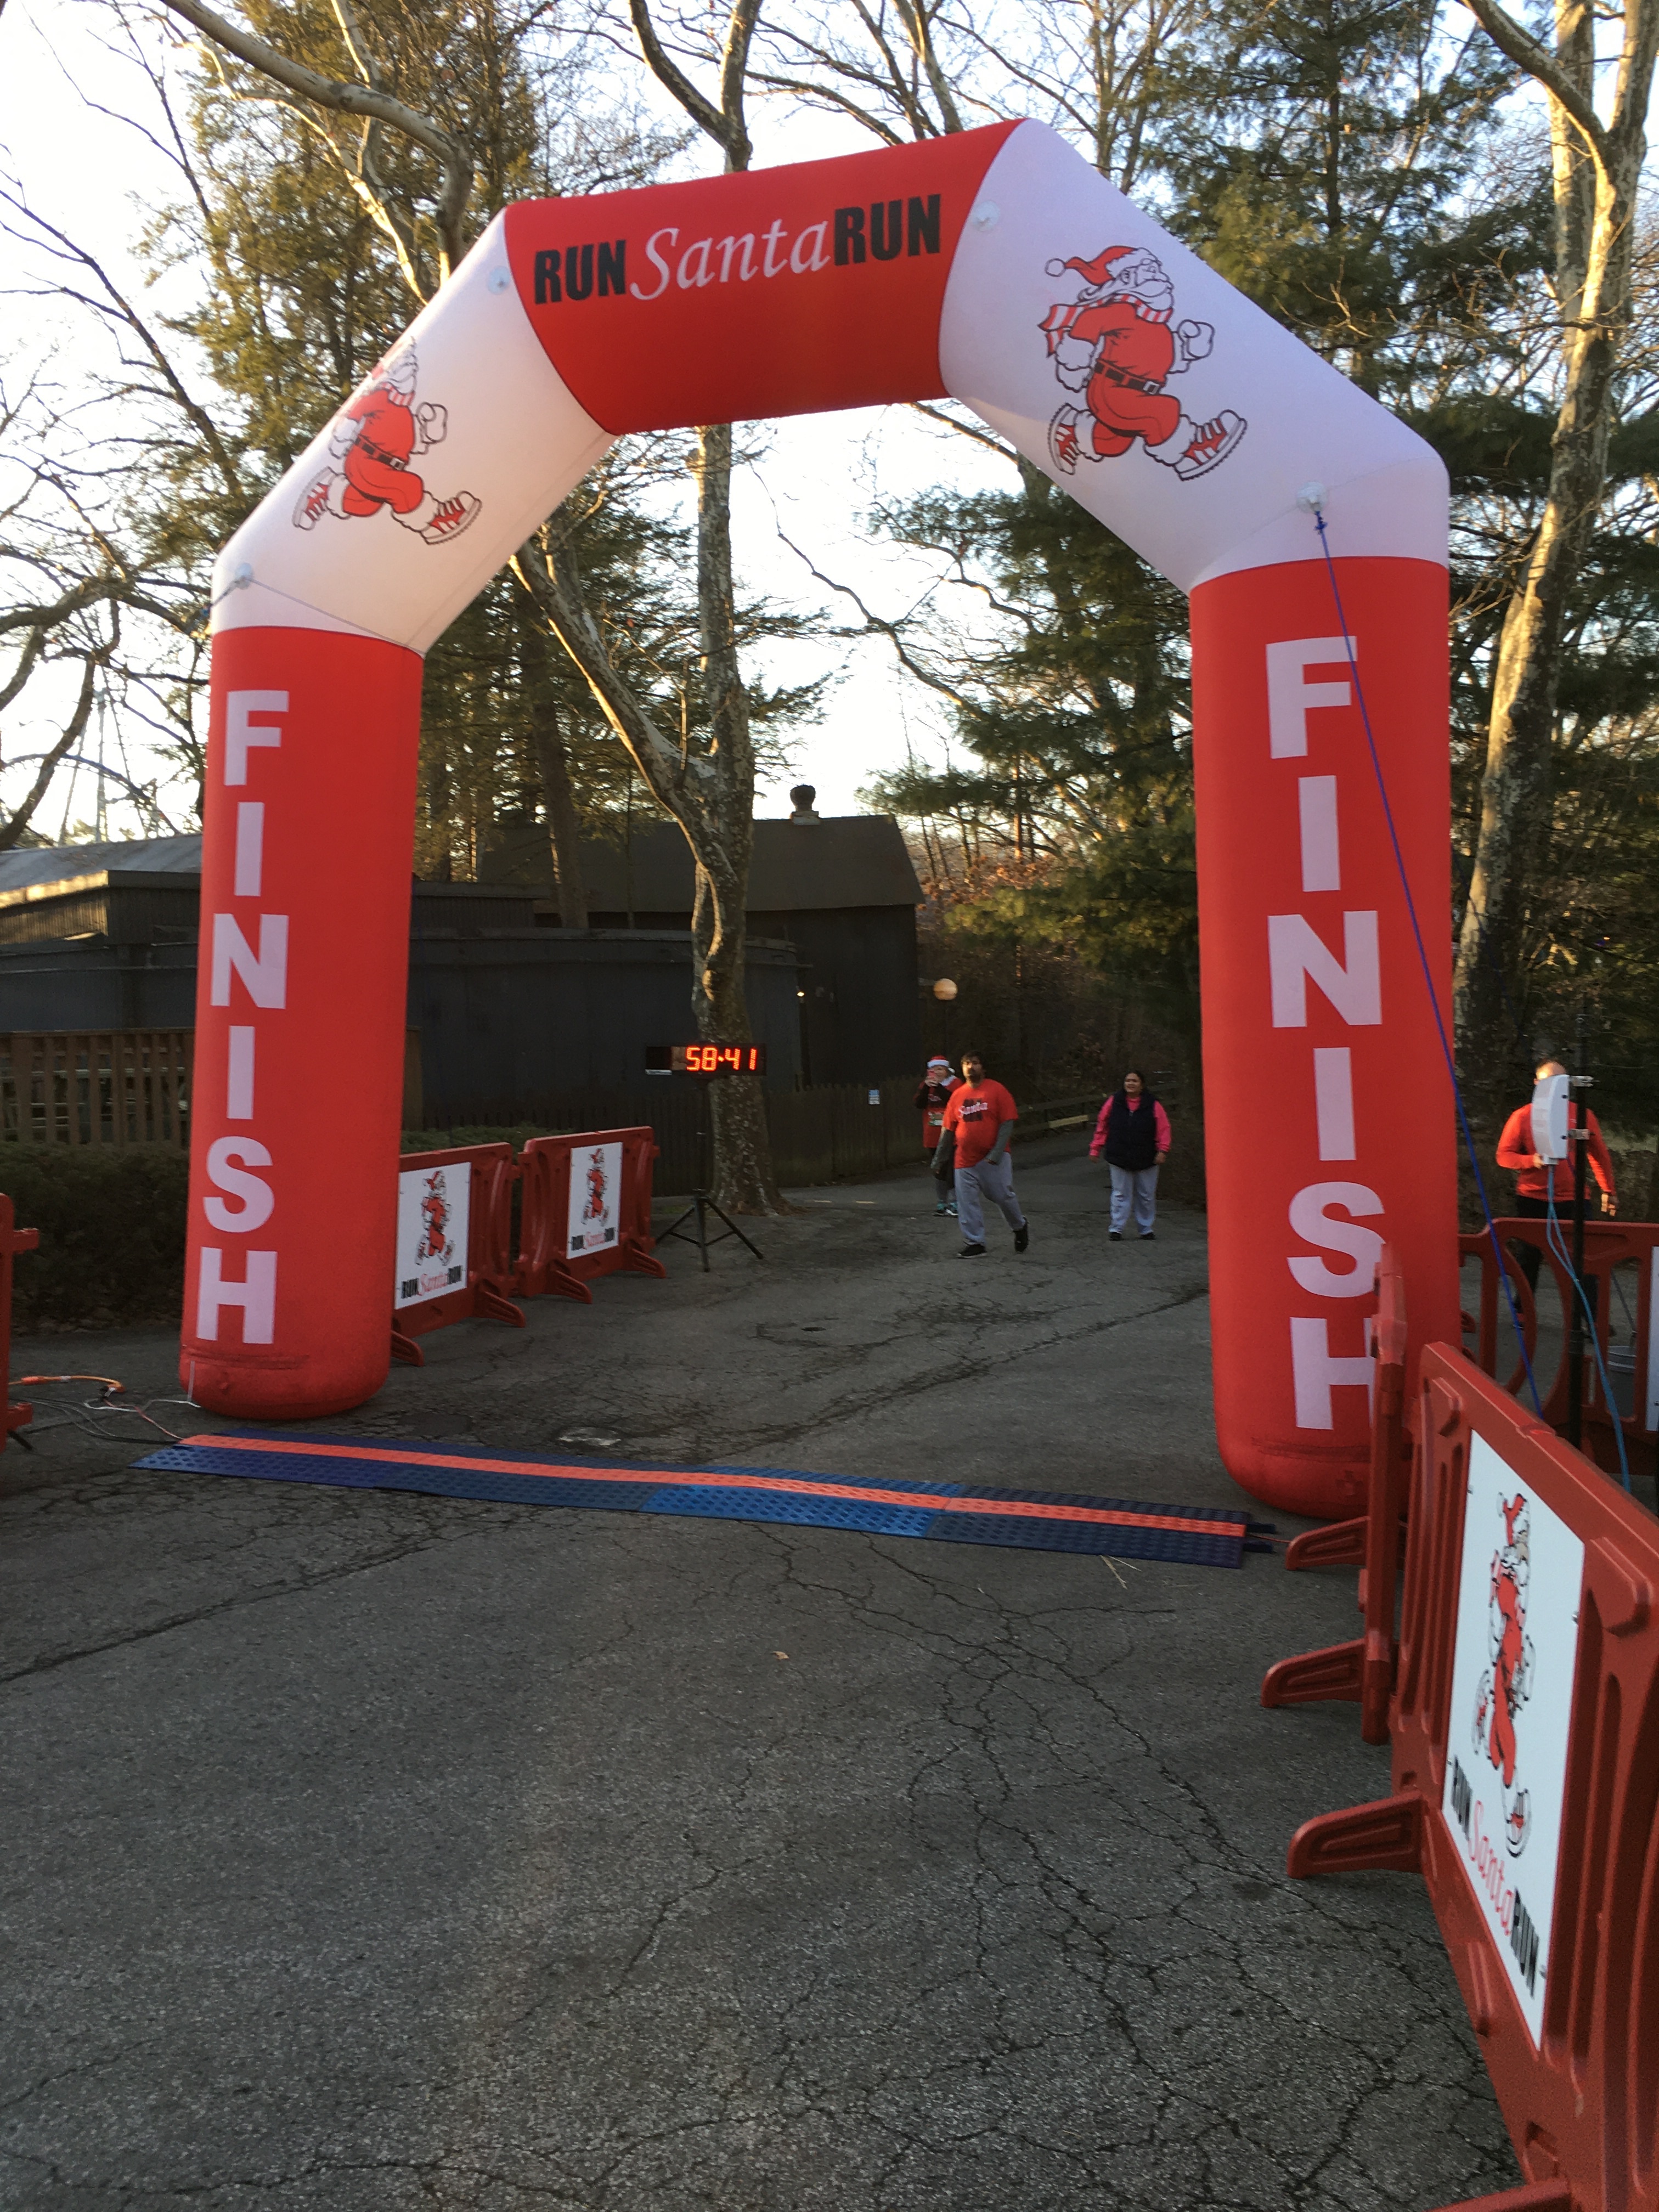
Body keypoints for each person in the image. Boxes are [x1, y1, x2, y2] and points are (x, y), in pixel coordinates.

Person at [1496, 1059, 1616, 1291]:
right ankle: (1523, 1307)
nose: (1553, 1087)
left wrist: (1608, 1190)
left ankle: (1588, 1310)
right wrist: (1532, 1161)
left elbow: (1599, 1155)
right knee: (1528, 1258)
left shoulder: (1582, 1115)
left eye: (1559, 1081)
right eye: (1547, 1082)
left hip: (1574, 1199)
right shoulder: (1523, 1116)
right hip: (1533, 1198)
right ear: (1536, 1083)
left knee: (1584, 1260)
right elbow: (1504, 1156)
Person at [937, 1050, 1029, 1259]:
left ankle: (1019, 1225)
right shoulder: (958, 1096)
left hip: (993, 1157)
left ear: (983, 1067)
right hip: (964, 1159)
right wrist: (939, 1159)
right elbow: (948, 1130)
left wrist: (996, 1153)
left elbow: (1007, 1124)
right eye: (967, 1064)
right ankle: (975, 1242)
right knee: (966, 1202)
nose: (971, 1067)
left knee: (1002, 1196)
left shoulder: (997, 1090)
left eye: (975, 1063)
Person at [1090, 1070, 1171, 1240]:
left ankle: (1146, 1228)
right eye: (1128, 1081)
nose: (1131, 1084)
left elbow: (1163, 1128)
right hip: (1119, 1155)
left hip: (1147, 1156)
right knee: (1120, 1194)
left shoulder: (1153, 1104)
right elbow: (1102, 1126)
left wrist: (1163, 1150)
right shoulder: (1114, 1102)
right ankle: (1116, 1228)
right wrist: (1095, 1148)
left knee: (1146, 1195)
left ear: (1142, 1085)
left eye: (1135, 1081)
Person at [913, 1056, 960, 1216]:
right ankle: (942, 1202)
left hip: (952, 1134)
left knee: (952, 1168)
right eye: (934, 1070)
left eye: (940, 1069)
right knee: (938, 1168)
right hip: (932, 1134)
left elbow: (953, 1101)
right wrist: (927, 1088)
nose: (937, 1073)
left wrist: (938, 1087)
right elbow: (919, 1104)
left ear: (947, 1071)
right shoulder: (925, 1085)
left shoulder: (955, 1083)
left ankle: (954, 1202)